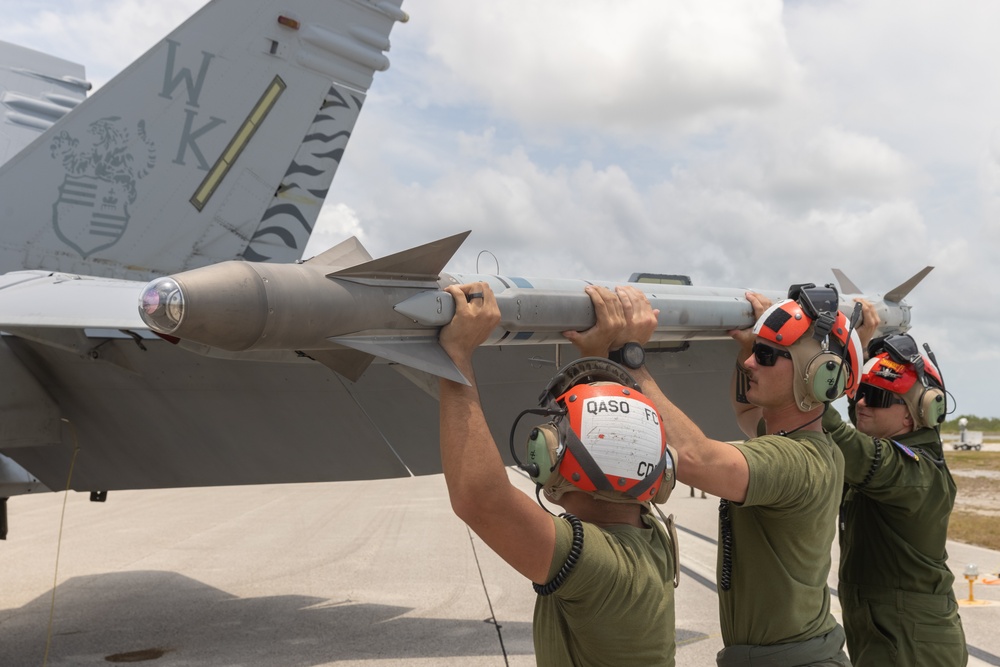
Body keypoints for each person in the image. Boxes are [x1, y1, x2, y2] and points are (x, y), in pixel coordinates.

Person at [568, 282, 859, 666]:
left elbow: (694, 459)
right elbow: (745, 414)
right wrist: (748, 351)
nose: (752, 363)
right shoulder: (810, 444)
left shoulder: (797, 461)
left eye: (768, 356)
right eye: (756, 353)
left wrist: (628, 357)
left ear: (817, 374)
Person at [437, 282, 678, 666]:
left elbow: (480, 498)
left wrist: (456, 357)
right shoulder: (651, 535)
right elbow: (617, 443)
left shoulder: (595, 562)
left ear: (550, 456)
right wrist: (599, 352)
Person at [822, 301, 968, 666]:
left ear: (913, 413)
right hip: (886, 632)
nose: (862, 403)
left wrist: (811, 367)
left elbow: (842, 437)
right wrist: (859, 344)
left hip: (915, 645)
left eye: (880, 397)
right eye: (862, 394)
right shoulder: (891, 451)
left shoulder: (914, 473)